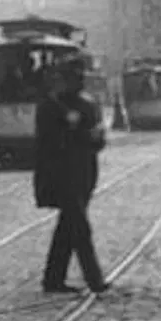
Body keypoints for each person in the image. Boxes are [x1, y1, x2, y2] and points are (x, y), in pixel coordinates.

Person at [35, 55, 109, 294]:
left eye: (79, 78)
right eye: (71, 77)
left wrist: (93, 136)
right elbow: (50, 143)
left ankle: (53, 279)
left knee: (67, 228)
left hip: (84, 174)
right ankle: (94, 280)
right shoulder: (50, 106)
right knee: (79, 228)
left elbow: (96, 140)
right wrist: (78, 132)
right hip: (62, 175)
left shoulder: (86, 105)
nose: (77, 82)